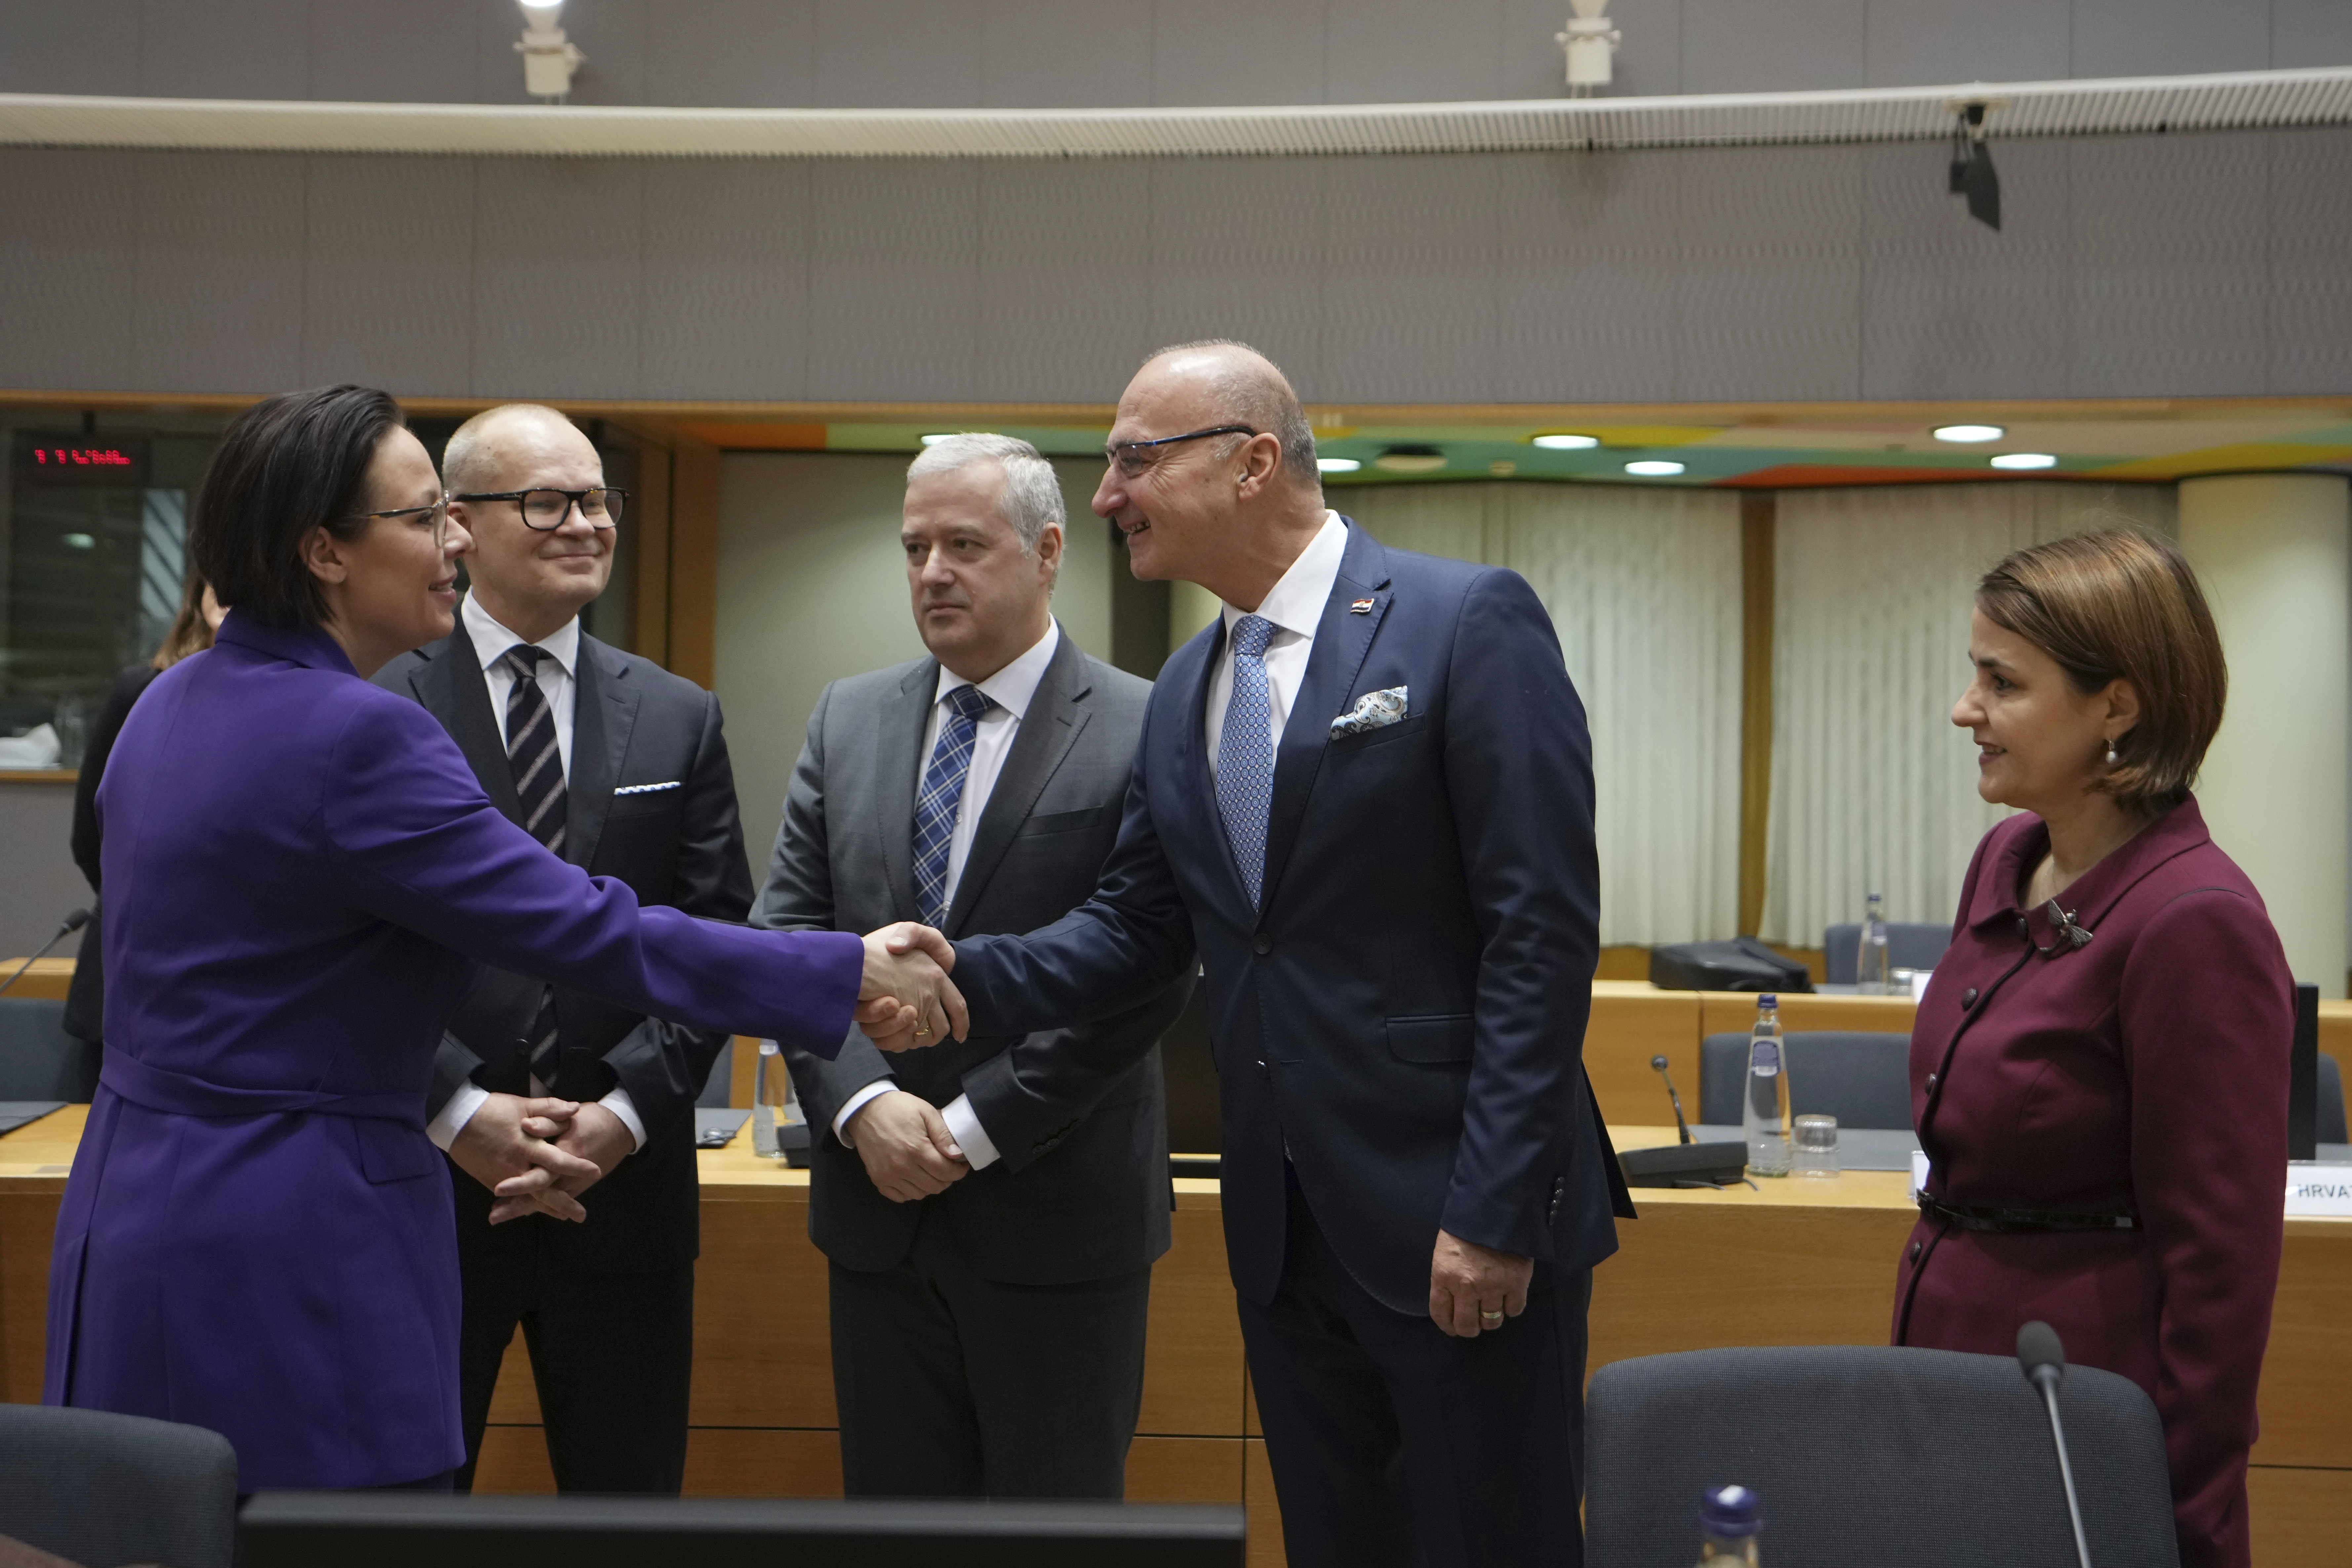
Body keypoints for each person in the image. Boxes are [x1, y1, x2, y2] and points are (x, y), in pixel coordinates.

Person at [44, 384, 961, 1493]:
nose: (451, 544)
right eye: (424, 518)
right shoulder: (359, 731)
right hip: (293, 1231)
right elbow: (577, 922)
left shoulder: (168, 703)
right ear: (323, 552)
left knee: (164, 1525)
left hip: (137, 1215)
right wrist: (843, 964)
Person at [878, 342, 1632, 1568]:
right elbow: (1136, 927)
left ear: (1251, 462)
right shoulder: (1186, 685)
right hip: (1286, 1236)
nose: (1108, 493)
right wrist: (951, 977)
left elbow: (1538, 936)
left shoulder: (1462, 620)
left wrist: (1491, 1211)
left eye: (1134, 459)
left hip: (1458, 1219)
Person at [753, 434, 1192, 1500]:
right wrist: (860, 1105)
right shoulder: (846, 716)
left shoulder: (1149, 722)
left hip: (1058, 1219)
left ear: (1047, 553)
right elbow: (786, 939)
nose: (932, 572)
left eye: (963, 543)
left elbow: (1147, 965)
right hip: (876, 1217)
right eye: (913, 548)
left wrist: (966, 1129)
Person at [1895, 527, 2290, 1568]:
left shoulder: (2193, 919)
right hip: (1947, 1375)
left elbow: (2221, 1272)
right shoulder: (2007, 857)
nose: (1962, 708)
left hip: (2082, 1408)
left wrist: (2184, 1516)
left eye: (2001, 681)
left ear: (2115, 706)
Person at [373, 404, 742, 1494]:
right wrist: (460, 1111)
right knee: (401, 1515)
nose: (585, 523)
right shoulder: (377, 706)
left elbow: (713, 935)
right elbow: (346, 948)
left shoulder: (678, 716)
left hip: (619, 1192)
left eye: (597, 500)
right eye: (548, 501)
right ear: (459, 525)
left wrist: (621, 1116)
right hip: (427, 1186)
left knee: (629, 1516)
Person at [61, 574, 226, 1083]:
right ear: (198, 597)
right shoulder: (143, 690)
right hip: (124, 973)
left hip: (218, 989)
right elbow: (92, 835)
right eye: (221, 590)